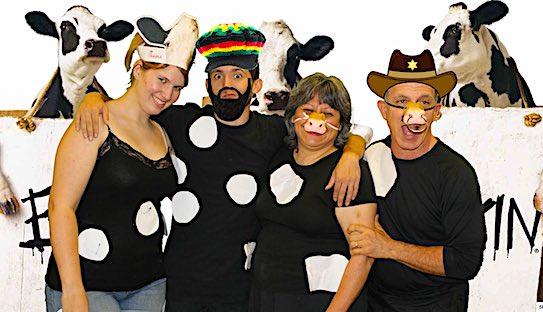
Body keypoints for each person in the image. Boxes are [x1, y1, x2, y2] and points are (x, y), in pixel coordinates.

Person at [76, 23, 370, 311]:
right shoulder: (179, 122)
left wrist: (352, 153)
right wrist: (92, 98)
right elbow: (129, 109)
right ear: (207, 85)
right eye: (218, 76)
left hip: (241, 289)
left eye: (238, 75)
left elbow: (348, 128)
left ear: (255, 85)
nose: (227, 84)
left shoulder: (273, 132)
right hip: (181, 283)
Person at [44, 14, 198, 312]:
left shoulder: (164, 133)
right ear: (138, 69)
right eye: (162, 79)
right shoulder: (96, 121)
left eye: (177, 87)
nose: (168, 95)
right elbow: (60, 208)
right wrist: (73, 290)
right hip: (90, 285)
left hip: (149, 284)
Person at [347, 49, 486, 312]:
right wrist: (350, 155)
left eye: (423, 103)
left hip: (436, 305)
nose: (413, 113)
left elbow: (465, 262)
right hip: (375, 303)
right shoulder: (369, 159)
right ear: (383, 110)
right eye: (401, 102)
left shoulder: (455, 173)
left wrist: (388, 248)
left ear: (436, 111)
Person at [249, 73, 377, 312]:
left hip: (320, 302)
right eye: (307, 110)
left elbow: (364, 255)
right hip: (268, 296)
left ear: (341, 123)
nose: (315, 121)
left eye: (328, 114)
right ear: (293, 115)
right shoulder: (279, 155)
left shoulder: (349, 174)